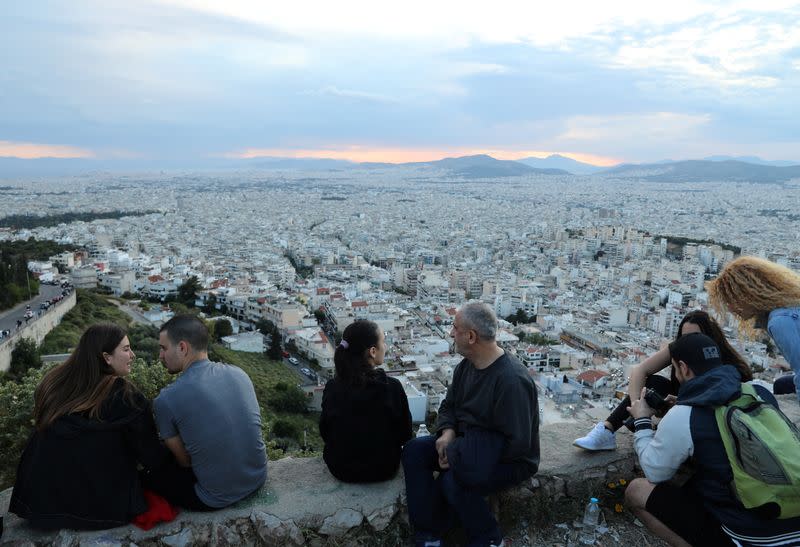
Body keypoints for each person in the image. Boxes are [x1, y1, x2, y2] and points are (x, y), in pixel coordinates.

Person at [625, 333, 800, 547]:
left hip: (751, 537)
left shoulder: (684, 415)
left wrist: (642, 420)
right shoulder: (758, 390)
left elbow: (654, 471)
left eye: (674, 368)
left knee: (636, 491)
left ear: (684, 367)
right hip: (793, 518)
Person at [402, 302, 539, 547]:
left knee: (454, 480)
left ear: (471, 336)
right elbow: (449, 406)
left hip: (509, 461)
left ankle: (488, 538)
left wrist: (458, 454)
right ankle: (428, 536)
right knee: (414, 451)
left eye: (455, 328)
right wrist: (447, 433)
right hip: (466, 444)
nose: (450, 333)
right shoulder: (466, 367)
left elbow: (518, 444)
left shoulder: (511, 381)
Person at [9, 324, 169, 530]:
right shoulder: (127, 397)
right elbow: (151, 457)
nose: (133, 355)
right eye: (126, 349)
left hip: (40, 504)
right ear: (106, 357)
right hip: (102, 509)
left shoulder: (53, 384)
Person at [574, 310, 753, 451]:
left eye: (696, 337)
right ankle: (607, 430)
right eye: (685, 338)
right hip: (681, 405)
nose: (689, 343)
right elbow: (640, 371)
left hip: (708, 418)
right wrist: (637, 408)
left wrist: (681, 405)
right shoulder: (681, 349)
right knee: (655, 383)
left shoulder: (729, 365)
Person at [144, 314, 267, 510]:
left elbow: (185, 463)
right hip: (258, 477)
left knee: (150, 477)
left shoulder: (166, 400)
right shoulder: (239, 374)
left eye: (163, 348)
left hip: (214, 497)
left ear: (182, 348)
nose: (160, 355)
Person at [319, 319, 412, 482]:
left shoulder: (333, 387)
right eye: (383, 341)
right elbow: (404, 434)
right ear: (373, 351)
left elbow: (325, 431)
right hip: (384, 468)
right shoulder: (391, 387)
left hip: (341, 468)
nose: (386, 346)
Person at [707, 256, 800, 400]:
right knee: (782, 384)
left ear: (749, 294)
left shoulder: (780, 321)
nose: (730, 308)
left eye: (732, 299)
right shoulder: (786, 307)